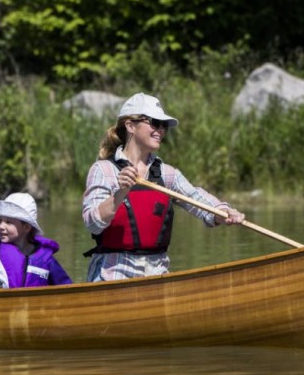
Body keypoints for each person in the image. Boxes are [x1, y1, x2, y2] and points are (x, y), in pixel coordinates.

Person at [82, 92, 245, 282]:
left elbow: (197, 200)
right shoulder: (103, 170)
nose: (160, 130)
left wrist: (224, 212)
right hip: (112, 276)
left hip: (157, 276)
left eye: (164, 125)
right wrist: (121, 193)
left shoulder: (167, 174)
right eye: (154, 122)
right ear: (130, 125)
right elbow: (92, 224)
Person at [0, 192, 73, 289]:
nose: (0, 226)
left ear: (26, 228)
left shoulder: (46, 259)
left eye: (8, 222)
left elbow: (67, 290)